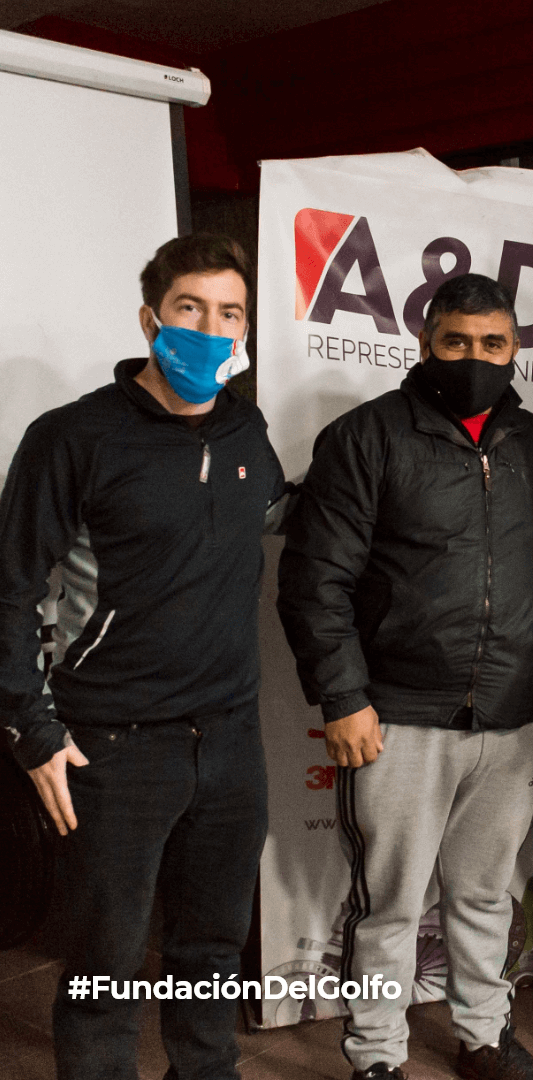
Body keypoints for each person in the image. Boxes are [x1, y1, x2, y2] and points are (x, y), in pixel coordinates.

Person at [0, 234, 287, 1080]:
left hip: (230, 738)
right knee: (107, 964)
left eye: (229, 314)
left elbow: (268, 513)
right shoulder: (73, 436)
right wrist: (33, 732)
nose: (210, 329)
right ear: (150, 319)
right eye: (190, 309)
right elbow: (9, 591)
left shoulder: (246, 428)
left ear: (245, 328)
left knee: (213, 948)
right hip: (113, 747)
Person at [277, 273, 533, 1080]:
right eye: (456, 342)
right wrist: (344, 697)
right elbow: (316, 581)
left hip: (510, 714)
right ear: (424, 342)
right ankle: (377, 1056)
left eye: (493, 344)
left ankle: (484, 1038)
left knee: (485, 893)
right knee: (390, 903)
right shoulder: (364, 438)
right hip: (396, 716)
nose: (475, 358)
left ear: (517, 349)